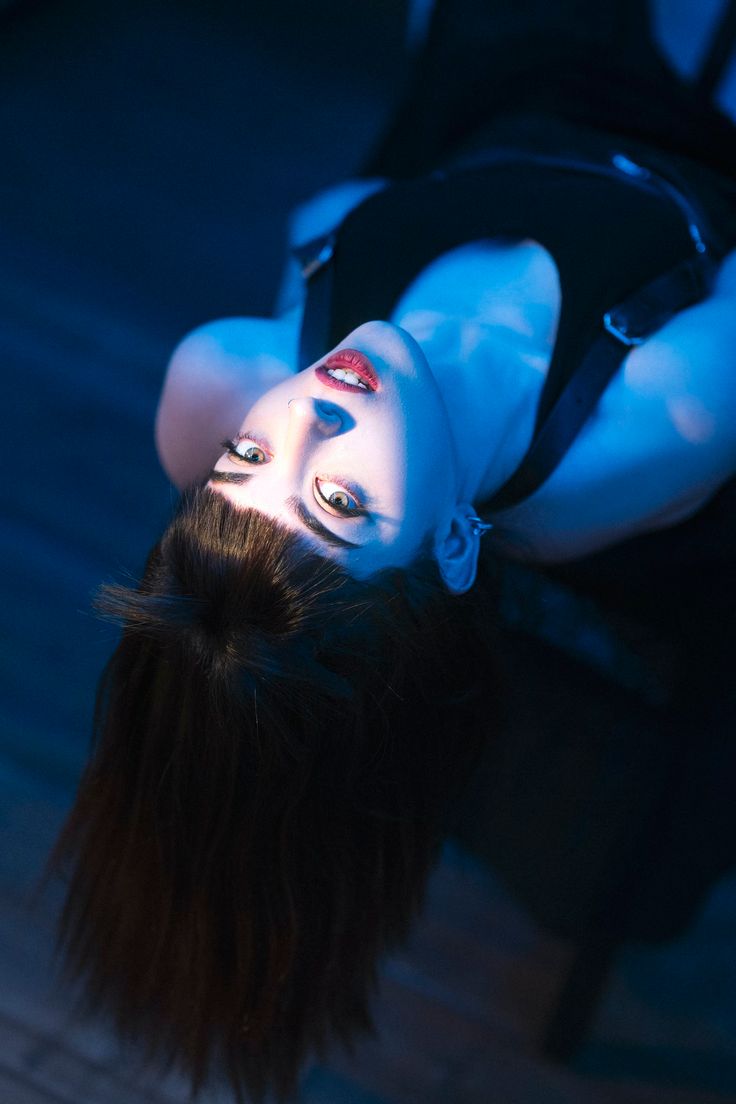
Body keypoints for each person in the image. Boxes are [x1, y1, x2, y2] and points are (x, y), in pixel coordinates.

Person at [50, 2, 736, 1101]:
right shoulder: (651, 423)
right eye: (335, 499)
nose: (305, 418)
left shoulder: (226, 380)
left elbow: (340, 209)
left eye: (243, 469)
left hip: (499, 98)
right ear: (457, 545)